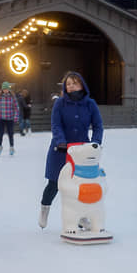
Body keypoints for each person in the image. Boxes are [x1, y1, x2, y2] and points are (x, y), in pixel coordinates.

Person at [39, 72, 103, 228]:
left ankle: (80, 216)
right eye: (68, 84)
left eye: (74, 83)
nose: (71, 86)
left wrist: (95, 143)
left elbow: (98, 126)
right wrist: (61, 142)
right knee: (54, 183)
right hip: (60, 149)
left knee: (80, 184)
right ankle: (44, 209)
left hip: (81, 151)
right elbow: (56, 125)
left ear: (81, 84)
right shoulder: (60, 103)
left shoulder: (90, 104)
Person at [0, 81, 20, 156]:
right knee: (0, 133)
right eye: (4, 89)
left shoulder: (12, 97)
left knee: (10, 133)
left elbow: (16, 108)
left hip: (10, 118)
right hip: (0, 118)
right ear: (2, 89)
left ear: (9, 89)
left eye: (7, 89)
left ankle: (11, 147)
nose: (5, 90)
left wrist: (16, 117)